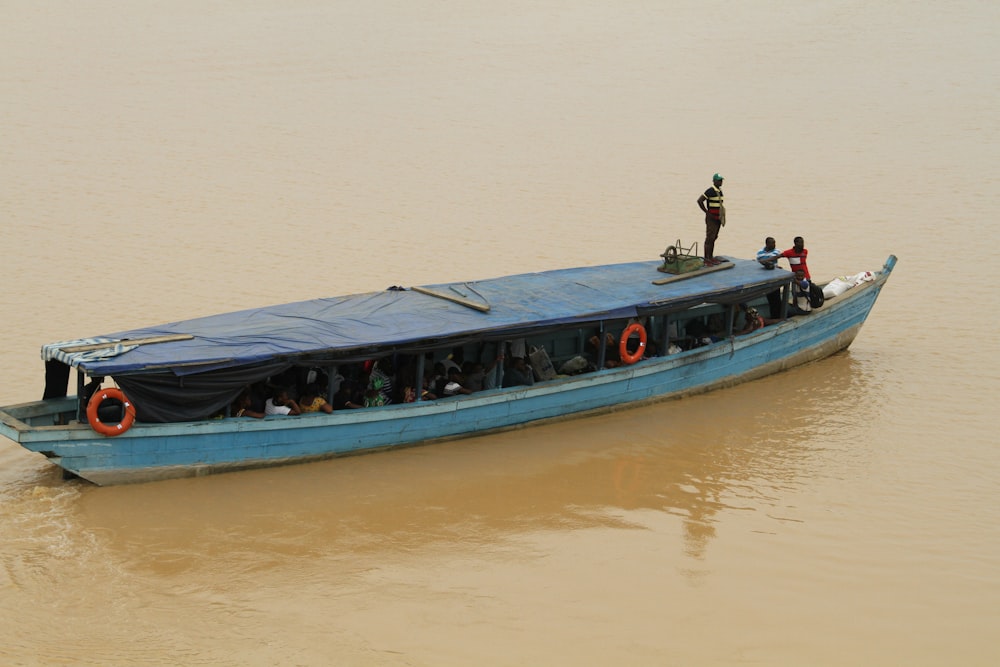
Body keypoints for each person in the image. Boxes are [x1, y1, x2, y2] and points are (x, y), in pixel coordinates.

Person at [696, 173, 725, 265]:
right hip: (711, 218)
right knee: (709, 238)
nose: (721, 182)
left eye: (721, 180)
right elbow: (700, 201)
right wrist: (707, 212)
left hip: (718, 218)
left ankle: (711, 257)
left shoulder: (719, 191)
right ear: (714, 181)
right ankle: (706, 259)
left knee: (714, 238)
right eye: (719, 180)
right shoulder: (710, 190)